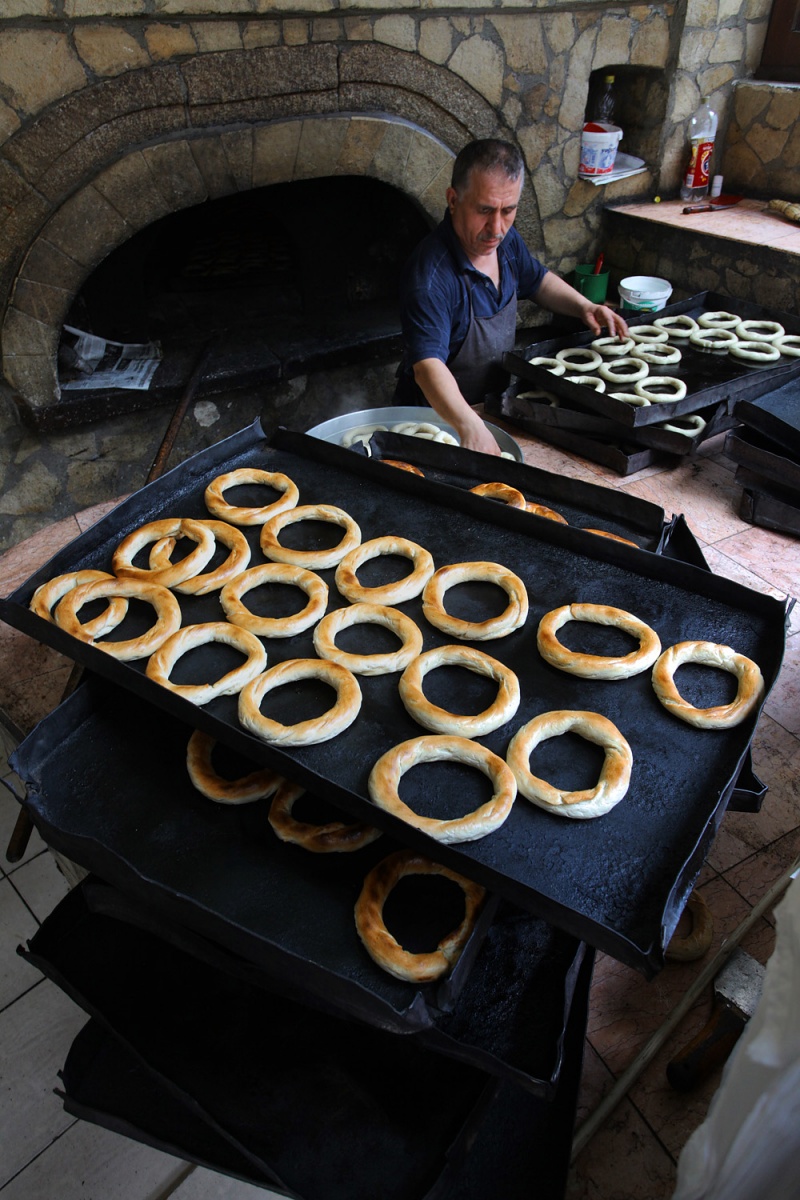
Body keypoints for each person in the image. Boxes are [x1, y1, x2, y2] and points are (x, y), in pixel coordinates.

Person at [394, 138, 628, 455]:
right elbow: (427, 366)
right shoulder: (432, 275)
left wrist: (584, 306)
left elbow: (538, 281)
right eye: (485, 210)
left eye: (508, 210)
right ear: (452, 200)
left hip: (489, 411)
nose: (496, 227)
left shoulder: (504, 242)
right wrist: (469, 426)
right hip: (437, 425)